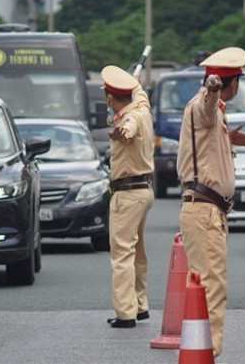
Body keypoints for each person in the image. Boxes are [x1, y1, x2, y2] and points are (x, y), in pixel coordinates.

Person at [176, 47, 245, 356]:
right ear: (231, 82)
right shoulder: (204, 104)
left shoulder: (216, 116)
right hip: (204, 210)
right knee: (212, 287)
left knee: (204, 285)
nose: (238, 87)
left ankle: (201, 352)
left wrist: (228, 138)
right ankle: (207, 354)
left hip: (208, 211)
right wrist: (212, 89)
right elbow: (206, 109)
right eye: (237, 80)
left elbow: (208, 128)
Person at [101, 65, 155, 329]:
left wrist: (124, 132)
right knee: (137, 252)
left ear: (110, 98)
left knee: (122, 254)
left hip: (128, 193)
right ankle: (140, 304)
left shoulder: (129, 119)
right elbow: (141, 96)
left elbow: (128, 128)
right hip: (144, 191)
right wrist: (135, 83)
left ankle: (126, 313)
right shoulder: (142, 108)